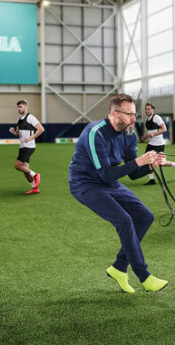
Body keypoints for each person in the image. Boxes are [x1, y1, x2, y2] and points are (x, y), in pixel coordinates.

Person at [68, 94, 168, 293]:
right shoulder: (94, 132)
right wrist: (140, 161)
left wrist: (151, 165)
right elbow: (105, 174)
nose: (133, 119)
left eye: (135, 114)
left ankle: (119, 268)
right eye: (129, 114)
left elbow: (132, 173)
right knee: (124, 220)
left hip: (109, 181)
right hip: (85, 184)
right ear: (114, 113)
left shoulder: (129, 133)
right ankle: (144, 276)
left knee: (145, 216)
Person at [9, 100, 45, 194]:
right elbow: (19, 134)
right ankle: (34, 188)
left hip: (28, 146)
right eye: (18, 107)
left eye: (20, 106)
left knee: (17, 165)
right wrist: (14, 132)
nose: (18, 109)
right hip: (22, 146)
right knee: (25, 169)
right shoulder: (19, 119)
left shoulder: (31, 117)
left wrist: (31, 138)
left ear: (25, 107)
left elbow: (41, 129)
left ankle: (36, 175)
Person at [140, 103, 175, 185]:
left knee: (161, 163)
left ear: (153, 110)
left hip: (158, 145)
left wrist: (154, 134)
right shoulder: (147, 119)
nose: (147, 110)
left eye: (149, 109)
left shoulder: (156, 117)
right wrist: (145, 137)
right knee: (146, 161)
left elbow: (164, 129)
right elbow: (150, 132)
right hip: (151, 144)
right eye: (146, 109)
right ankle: (152, 180)